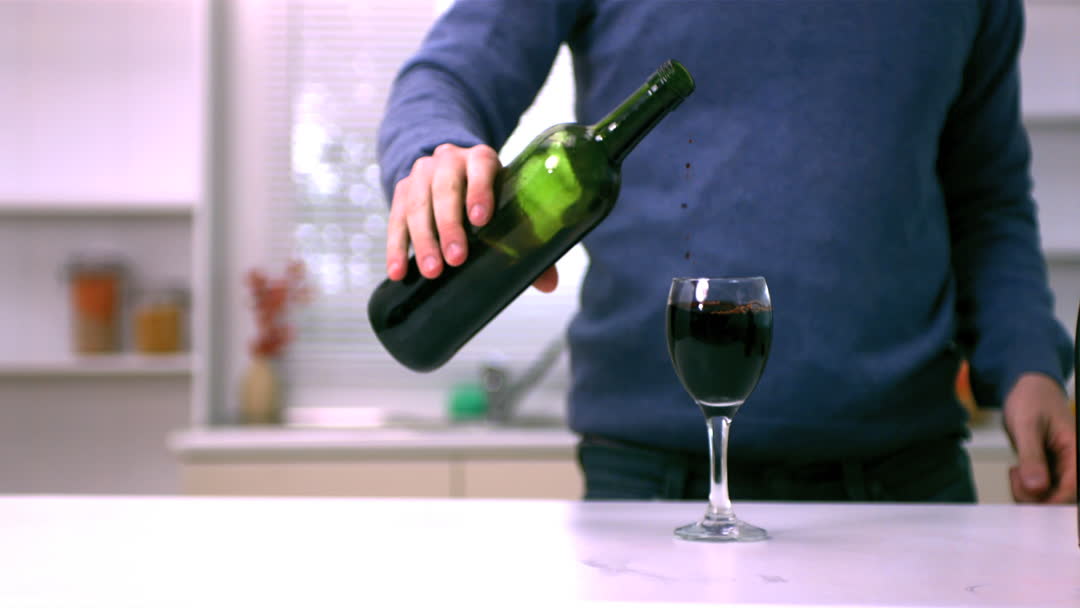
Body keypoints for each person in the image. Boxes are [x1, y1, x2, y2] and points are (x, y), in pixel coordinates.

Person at [376, 0, 1076, 503]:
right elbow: (446, 79)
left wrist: (1028, 365)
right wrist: (436, 155)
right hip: (652, 487)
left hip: (908, 484)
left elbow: (988, 202)